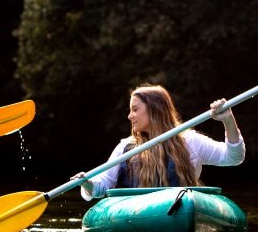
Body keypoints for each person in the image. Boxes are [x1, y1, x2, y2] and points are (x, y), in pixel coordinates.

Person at [71, 83, 244, 200]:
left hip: (180, 208)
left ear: (154, 111)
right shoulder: (126, 148)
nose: (130, 116)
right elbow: (100, 187)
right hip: (135, 214)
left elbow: (232, 157)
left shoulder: (190, 141)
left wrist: (228, 120)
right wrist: (86, 183)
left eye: (135, 109)